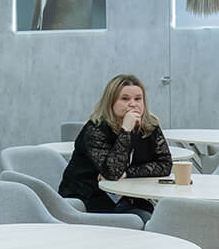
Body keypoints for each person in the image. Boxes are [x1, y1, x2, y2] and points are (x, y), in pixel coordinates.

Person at [59, 74, 172, 221]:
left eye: (138, 99)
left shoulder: (150, 126)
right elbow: (112, 173)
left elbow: (165, 165)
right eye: (125, 99)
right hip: (87, 196)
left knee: (150, 218)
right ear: (110, 102)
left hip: (128, 195)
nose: (133, 104)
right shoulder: (95, 129)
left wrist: (128, 173)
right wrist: (126, 130)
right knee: (138, 220)